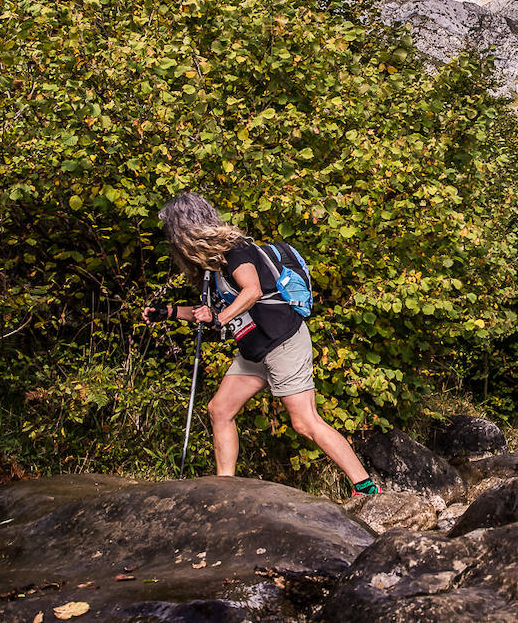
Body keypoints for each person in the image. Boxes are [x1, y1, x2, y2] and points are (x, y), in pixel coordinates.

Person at [147, 192, 381, 497]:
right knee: (220, 410)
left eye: (175, 234)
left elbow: (252, 291)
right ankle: (225, 487)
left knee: (304, 422)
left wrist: (220, 318)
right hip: (255, 351)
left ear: (187, 229)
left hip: (283, 341)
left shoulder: (236, 250)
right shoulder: (210, 267)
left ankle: (365, 487)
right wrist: (168, 312)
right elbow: (207, 313)